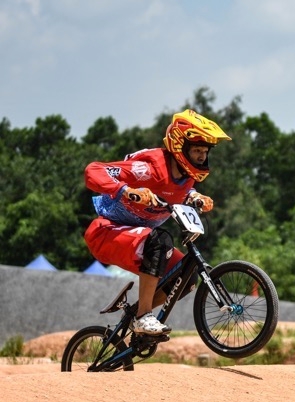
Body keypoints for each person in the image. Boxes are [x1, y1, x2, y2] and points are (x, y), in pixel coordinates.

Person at [84, 109, 231, 335]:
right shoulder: (148, 169)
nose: (202, 157)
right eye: (197, 150)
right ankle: (144, 316)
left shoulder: (186, 177)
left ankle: (135, 315)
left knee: (187, 276)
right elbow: (93, 170)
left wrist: (195, 196)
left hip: (137, 239)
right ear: (180, 147)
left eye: (205, 151)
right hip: (106, 233)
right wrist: (127, 191)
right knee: (160, 241)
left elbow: (178, 190)